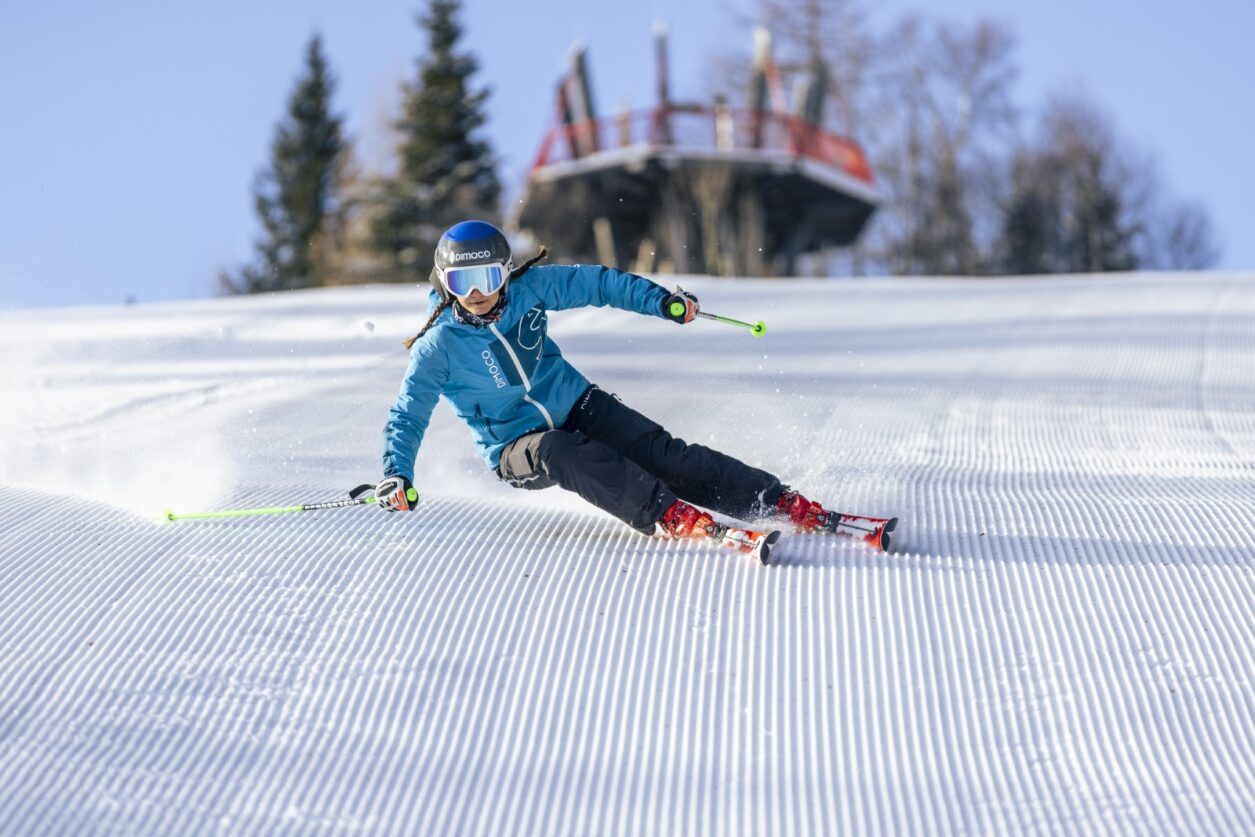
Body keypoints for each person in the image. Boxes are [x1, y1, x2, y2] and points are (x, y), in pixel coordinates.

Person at [376, 220, 885, 551]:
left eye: (488, 278)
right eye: (464, 285)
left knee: (665, 455)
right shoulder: (438, 346)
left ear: (507, 273)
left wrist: (662, 302)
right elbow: (408, 412)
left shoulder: (532, 289)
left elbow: (599, 283)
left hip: (575, 401)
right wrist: (396, 473)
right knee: (561, 450)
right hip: (514, 447)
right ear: (445, 284)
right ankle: (667, 513)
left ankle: (776, 500)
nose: (480, 295)